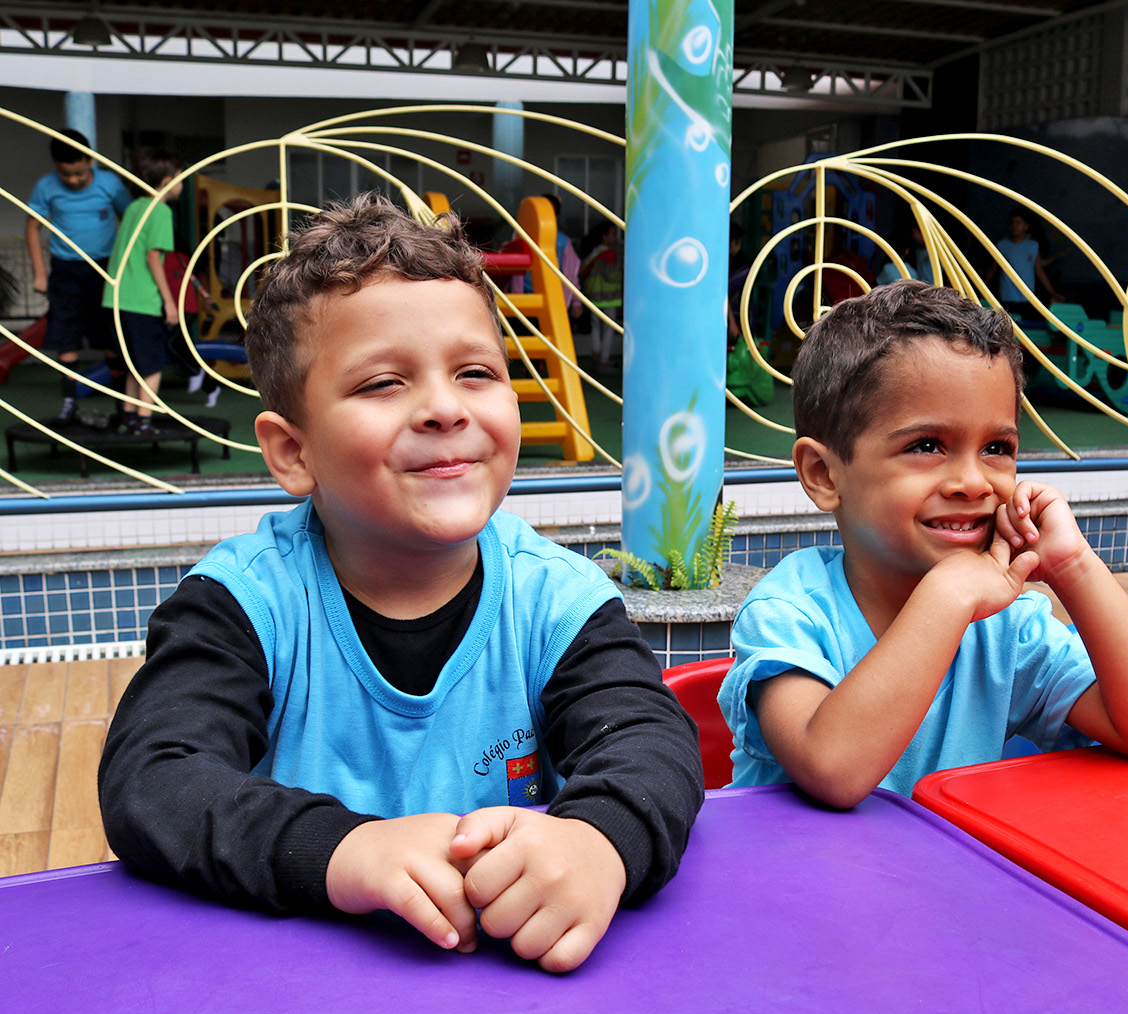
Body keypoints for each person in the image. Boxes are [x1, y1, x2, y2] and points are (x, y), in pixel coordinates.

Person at [99, 194, 703, 972]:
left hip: (512, 990)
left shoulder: (556, 601)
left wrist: (598, 841)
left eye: (476, 372)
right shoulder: (247, 605)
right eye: (384, 383)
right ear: (292, 453)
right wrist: (344, 850)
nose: (445, 408)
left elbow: (651, 741)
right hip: (295, 987)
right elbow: (153, 779)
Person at [717, 280, 1128, 808]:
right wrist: (946, 597)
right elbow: (833, 769)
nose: (973, 482)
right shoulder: (790, 613)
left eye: (996, 448)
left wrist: (1075, 567)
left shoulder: (1006, 628)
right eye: (927, 445)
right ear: (823, 474)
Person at [24, 128, 132, 423]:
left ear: (90, 160)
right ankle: (69, 405)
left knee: (112, 337)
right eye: (65, 174)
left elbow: (131, 218)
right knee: (66, 337)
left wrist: (127, 266)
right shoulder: (46, 186)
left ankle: (123, 406)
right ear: (55, 166)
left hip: (104, 269)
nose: (73, 180)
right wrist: (40, 273)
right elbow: (32, 226)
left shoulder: (110, 183)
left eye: (79, 173)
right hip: (65, 270)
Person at [101, 147, 182, 436]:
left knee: (134, 364)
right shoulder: (160, 211)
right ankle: (144, 421)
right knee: (152, 365)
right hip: (141, 301)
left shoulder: (135, 207)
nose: (182, 185)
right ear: (167, 181)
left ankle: (129, 417)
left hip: (114, 299)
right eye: (180, 178)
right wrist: (169, 303)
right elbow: (153, 257)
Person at [985, 207, 1061, 315]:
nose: (1014, 226)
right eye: (1012, 223)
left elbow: (1039, 271)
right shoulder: (1002, 245)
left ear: (1026, 226)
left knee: (1027, 323)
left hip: (1027, 297)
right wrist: (982, 290)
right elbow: (993, 269)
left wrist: (1052, 293)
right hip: (1007, 296)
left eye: (1018, 223)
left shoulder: (1033, 245)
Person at [577, 220, 623, 368]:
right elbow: (610, 275)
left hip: (594, 297)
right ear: (605, 236)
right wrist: (623, 275)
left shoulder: (593, 252)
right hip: (610, 297)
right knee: (608, 329)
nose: (616, 238)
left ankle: (596, 355)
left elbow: (582, 272)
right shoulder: (610, 253)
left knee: (595, 327)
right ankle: (604, 360)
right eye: (613, 234)